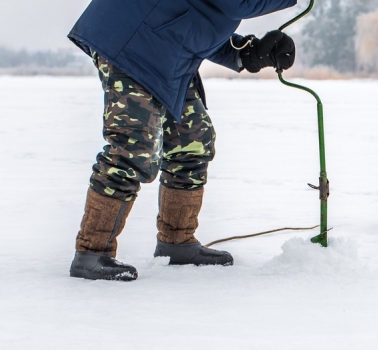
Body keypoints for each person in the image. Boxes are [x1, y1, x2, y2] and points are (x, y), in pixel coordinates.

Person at [67, 0, 298, 281]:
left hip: (166, 47)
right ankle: (91, 252)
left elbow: (195, 18)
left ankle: (176, 243)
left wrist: (244, 53)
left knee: (193, 139)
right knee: (133, 148)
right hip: (133, 43)